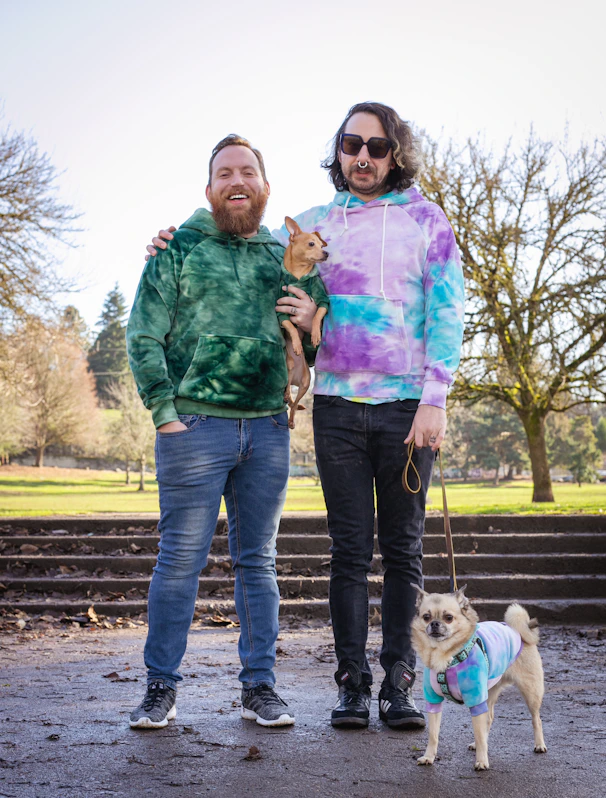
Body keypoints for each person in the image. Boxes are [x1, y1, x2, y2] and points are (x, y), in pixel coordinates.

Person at [147, 102, 465, 731]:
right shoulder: (317, 224)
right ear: (339, 153)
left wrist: (436, 398)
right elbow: (253, 245)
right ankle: (351, 686)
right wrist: (170, 241)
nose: (363, 158)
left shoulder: (429, 220)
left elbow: (448, 310)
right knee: (348, 551)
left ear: (395, 153)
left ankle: (399, 683)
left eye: (377, 147)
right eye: (352, 146)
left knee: (402, 551)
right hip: (338, 405)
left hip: (407, 407)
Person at [127, 134, 297, 730]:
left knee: (260, 563)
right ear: (209, 189)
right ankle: (159, 688)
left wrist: (312, 318)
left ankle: (260, 689)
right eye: (224, 172)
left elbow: (315, 331)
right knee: (179, 561)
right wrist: (163, 411)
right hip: (193, 428)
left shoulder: (285, 255)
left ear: (265, 187)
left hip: (269, 430)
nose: (236, 180)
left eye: (247, 170)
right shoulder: (176, 250)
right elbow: (142, 334)